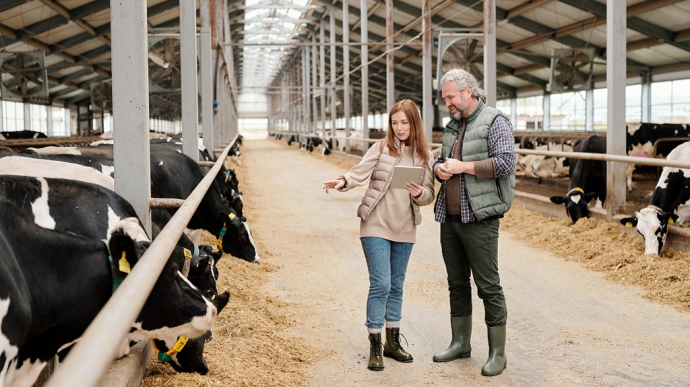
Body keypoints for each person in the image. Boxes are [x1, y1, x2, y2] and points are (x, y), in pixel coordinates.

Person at [323, 99, 436, 371]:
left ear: (414, 123)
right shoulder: (381, 147)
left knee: (396, 286)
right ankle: (374, 344)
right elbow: (358, 173)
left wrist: (420, 194)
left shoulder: (425, 156)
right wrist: (343, 181)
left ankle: (392, 343)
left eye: (404, 122)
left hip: (405, 227)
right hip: (375, 223)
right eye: (394, 122)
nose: (399, 128)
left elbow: (430, 194)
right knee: (381, 284)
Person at [431, 69, 516, 377]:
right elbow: (442, 159)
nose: (447, 104)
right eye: (444, 98)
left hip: (480, 219)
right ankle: (460, 342)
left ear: (468, 92)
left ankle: (498, 354)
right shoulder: (452, 126)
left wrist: (463, 166)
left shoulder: (496, 121)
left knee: (488, 286)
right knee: (456, 283)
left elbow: (506, 163)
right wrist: (438, 168)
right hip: (450, 217)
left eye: (450, 97)